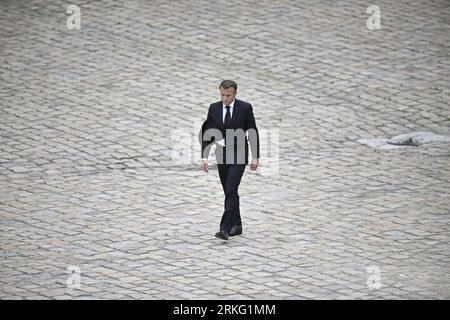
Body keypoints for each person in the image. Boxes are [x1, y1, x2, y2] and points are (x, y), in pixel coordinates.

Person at [200, 80, 260, 240]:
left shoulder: (245, 108)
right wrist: (204, 156)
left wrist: (255, 156)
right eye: (222, 95)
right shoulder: (214, 108)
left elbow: (253, 131)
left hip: (239, 154)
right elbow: (208, 132)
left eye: (228, 95)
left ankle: (224, 228)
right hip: (222, 154)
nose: (225, 98)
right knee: (229, 191)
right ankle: (237, 225)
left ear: (235, 94)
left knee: (231, 189)